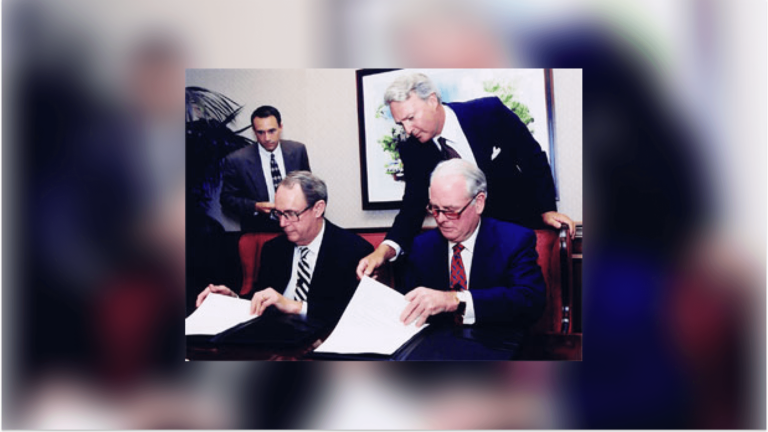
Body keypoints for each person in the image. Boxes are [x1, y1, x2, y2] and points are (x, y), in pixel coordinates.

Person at [357, 72, 574, 279]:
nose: (408, 129)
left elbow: (532, 157)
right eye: (401, 123)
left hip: (513, 232)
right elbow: (412, 206)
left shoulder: (489, 113)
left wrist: (547, 209)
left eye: (411, 118)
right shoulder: (412, 149)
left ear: (432, 100)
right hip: (465, 249)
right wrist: (384, 251)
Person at [197, 171, 373, 326]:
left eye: (291, 214)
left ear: (318, 209)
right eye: (279, 214)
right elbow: (261, 298)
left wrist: (294, 306)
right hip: (275, 340)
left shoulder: (354, 250)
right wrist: (231, 299)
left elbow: (352, 312)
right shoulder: (273, 249)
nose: (282, 223)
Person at [399, 159, 546, 328]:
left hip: (494, 344)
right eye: (434, 209)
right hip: (436, 347)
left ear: (479, 203)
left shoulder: (514, 240)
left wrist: (456, 300)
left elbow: (530, 300)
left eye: (450, 210)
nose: (440, 219)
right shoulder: (422, 246)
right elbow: (408, 305)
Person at [220, 105, 311, 232]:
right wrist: (255, 207)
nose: (267, 138)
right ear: (254, 131)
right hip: (259, 230)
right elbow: (227, 199)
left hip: (296, 227)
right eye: (260, 132)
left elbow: (309, 189)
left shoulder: (298, 151)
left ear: (281, 127)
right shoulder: (236, 160)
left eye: (272, 131)